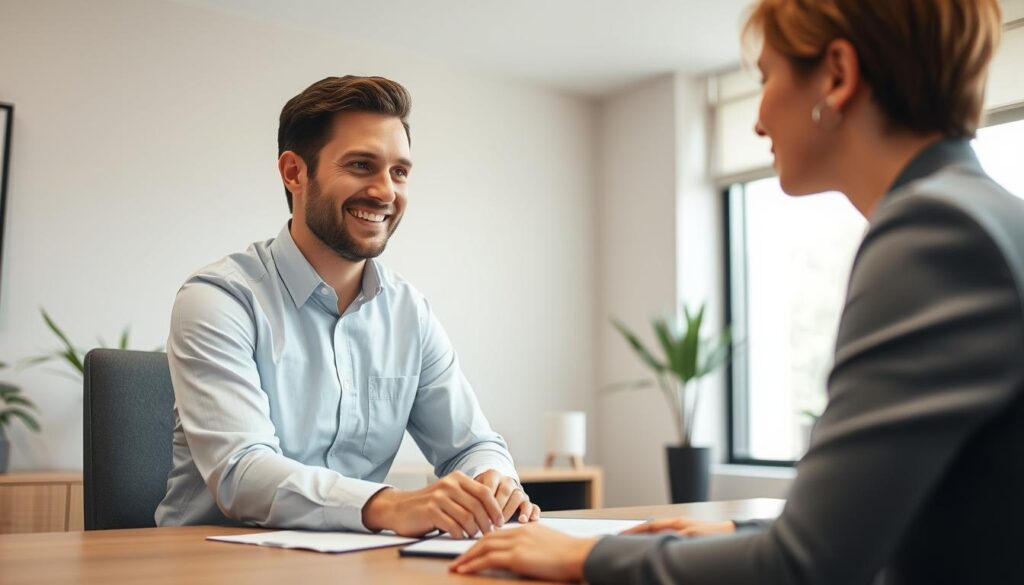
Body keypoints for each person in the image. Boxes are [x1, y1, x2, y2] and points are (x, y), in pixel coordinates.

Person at [451, 0, 1024, 582]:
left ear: (838, 76)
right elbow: (903, 517)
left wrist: (587, 555)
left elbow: (804, 567)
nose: (757, 121)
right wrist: (740, 531)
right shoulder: (984, 217)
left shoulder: (934, 236)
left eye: (766, 78)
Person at [155, 76, 540, 538]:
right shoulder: (219, 299)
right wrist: (391, 505)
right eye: (361, 165)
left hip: (355, 560)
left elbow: (472, 444)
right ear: (294, 172)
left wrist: (490, 482)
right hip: (214, 562)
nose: (385, 192)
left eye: (399, 172)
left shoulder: (409, 313)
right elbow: (241, 471)